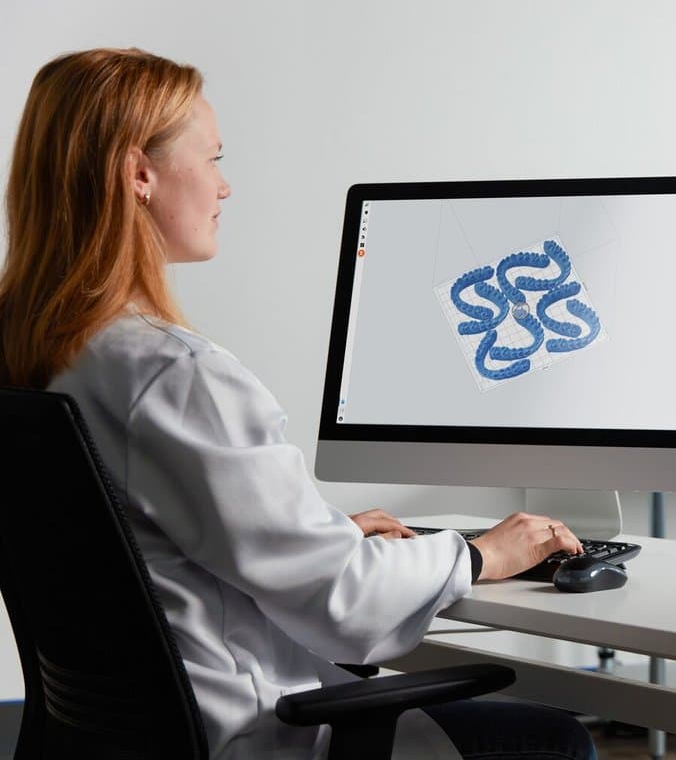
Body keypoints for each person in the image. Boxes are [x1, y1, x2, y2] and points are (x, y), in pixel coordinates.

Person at [0, 48, 597, 760]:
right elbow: (346, 602)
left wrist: (305, 531)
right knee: (555, 740)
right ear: (139, 174)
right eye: (214, 158)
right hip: (250, 735)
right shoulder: (176, 373)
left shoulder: (38, 352)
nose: (225, 186)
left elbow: (137, 550)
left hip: (120, 740)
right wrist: (477, 553)